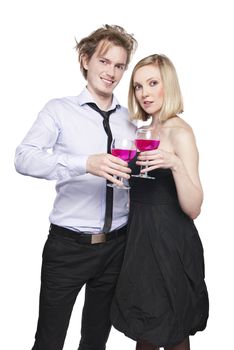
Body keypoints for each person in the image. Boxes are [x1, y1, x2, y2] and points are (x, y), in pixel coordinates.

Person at [14, 24, 137, 350]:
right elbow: (24, 158)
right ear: (85, 60)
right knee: (49, 340)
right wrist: (84, 163)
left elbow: (137, 176)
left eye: (119, 65)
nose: (111, 72)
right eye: (104, 61)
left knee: (96, 341)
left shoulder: (130, 119)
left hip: (117, 247)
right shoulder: (58, 110)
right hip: (68, 248)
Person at [111, 54, 209, 350]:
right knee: (145, 326)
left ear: (168, 85)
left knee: (172, 329)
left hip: (170, 244)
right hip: (140, 241)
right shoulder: (140, 131)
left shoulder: (181, 132)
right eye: (139, 86)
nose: (145, 93)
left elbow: (194, 207)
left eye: (153, 83)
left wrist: (175, 164)